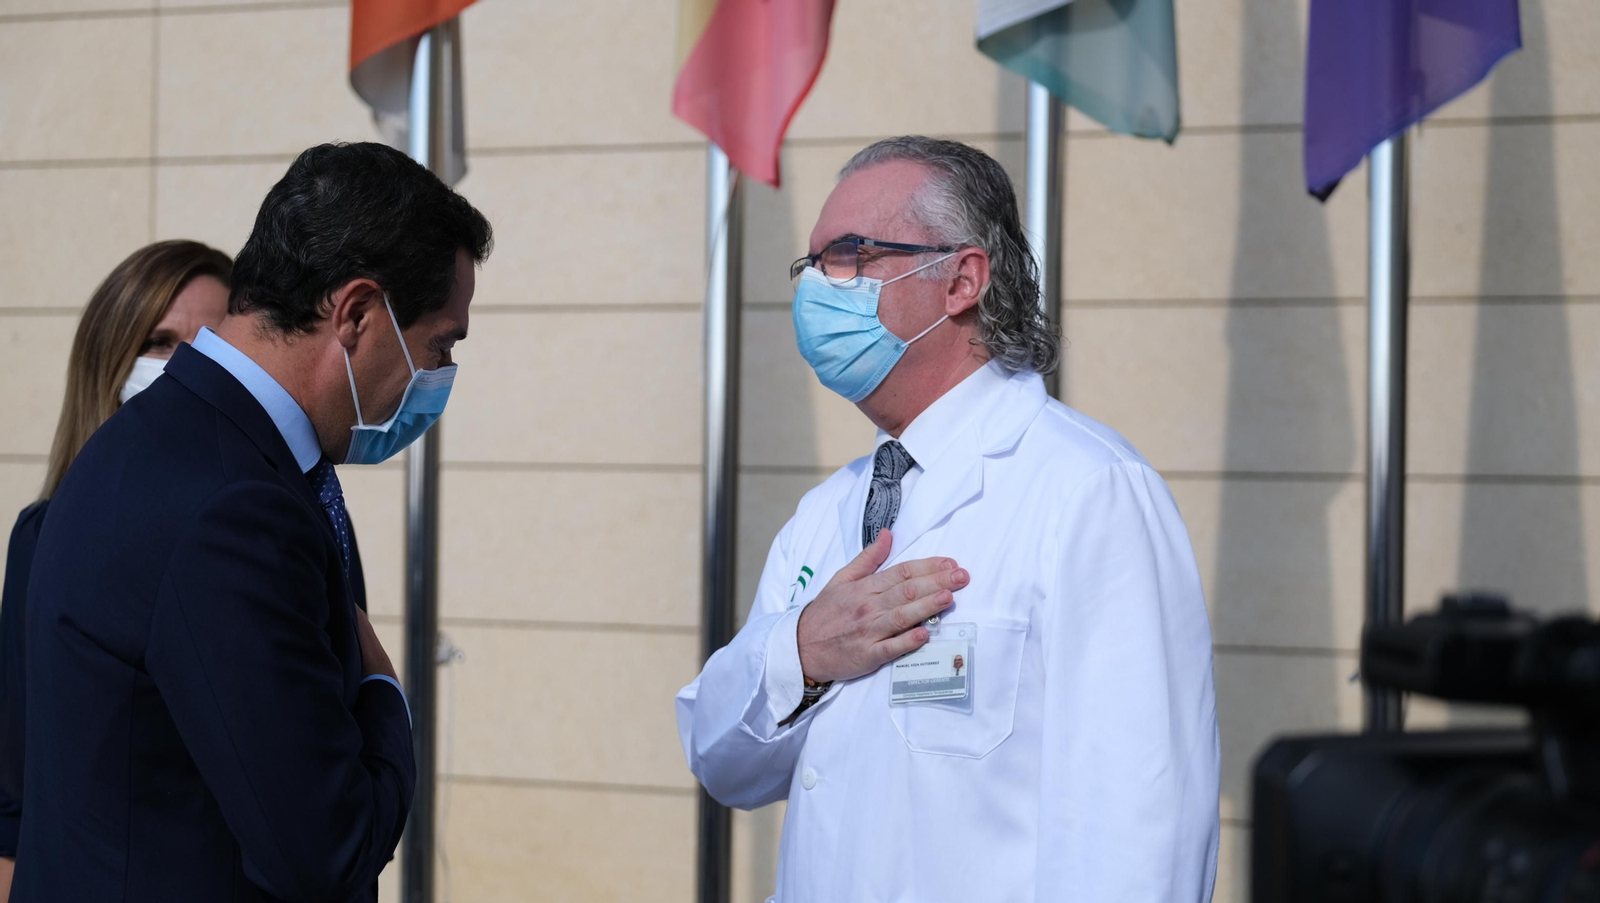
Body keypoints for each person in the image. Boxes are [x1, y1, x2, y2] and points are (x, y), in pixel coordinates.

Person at [676, 136, 1220, 902]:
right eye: (813, 264)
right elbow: (721, 759)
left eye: (852, 254)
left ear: (962, 279)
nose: (818, 288)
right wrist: (803, 649)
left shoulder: (1089, 490)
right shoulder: (825, 512)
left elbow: (1138, 830)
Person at [12, 142, 491, 903]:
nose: (438, 378)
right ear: (358, 313)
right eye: (440, 344)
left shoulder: (159, 441)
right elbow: (323, 851)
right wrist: (383, 691)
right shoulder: (235, 505)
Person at [0, 240, 233, 898]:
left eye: (211, 343)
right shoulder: (45, 536)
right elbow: (17, 785)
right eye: (159, 341)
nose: (185, 364)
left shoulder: (289, 533)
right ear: (109, 361)